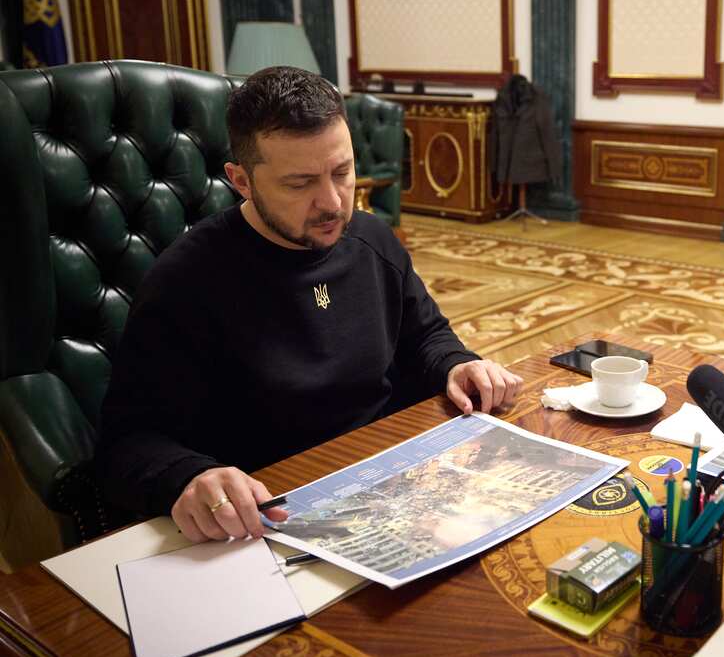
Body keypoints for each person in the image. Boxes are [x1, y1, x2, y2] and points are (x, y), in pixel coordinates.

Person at [97, 66, 523, 543]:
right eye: (299, 184)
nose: (332, 203)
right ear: (241, 180)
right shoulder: (184, 282)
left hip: (391, 485)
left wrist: (456, 365)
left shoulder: (371, 239)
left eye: (342, 172)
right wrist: (187, 477)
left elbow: (424, 335)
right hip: (266, 516)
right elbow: (125, 442)